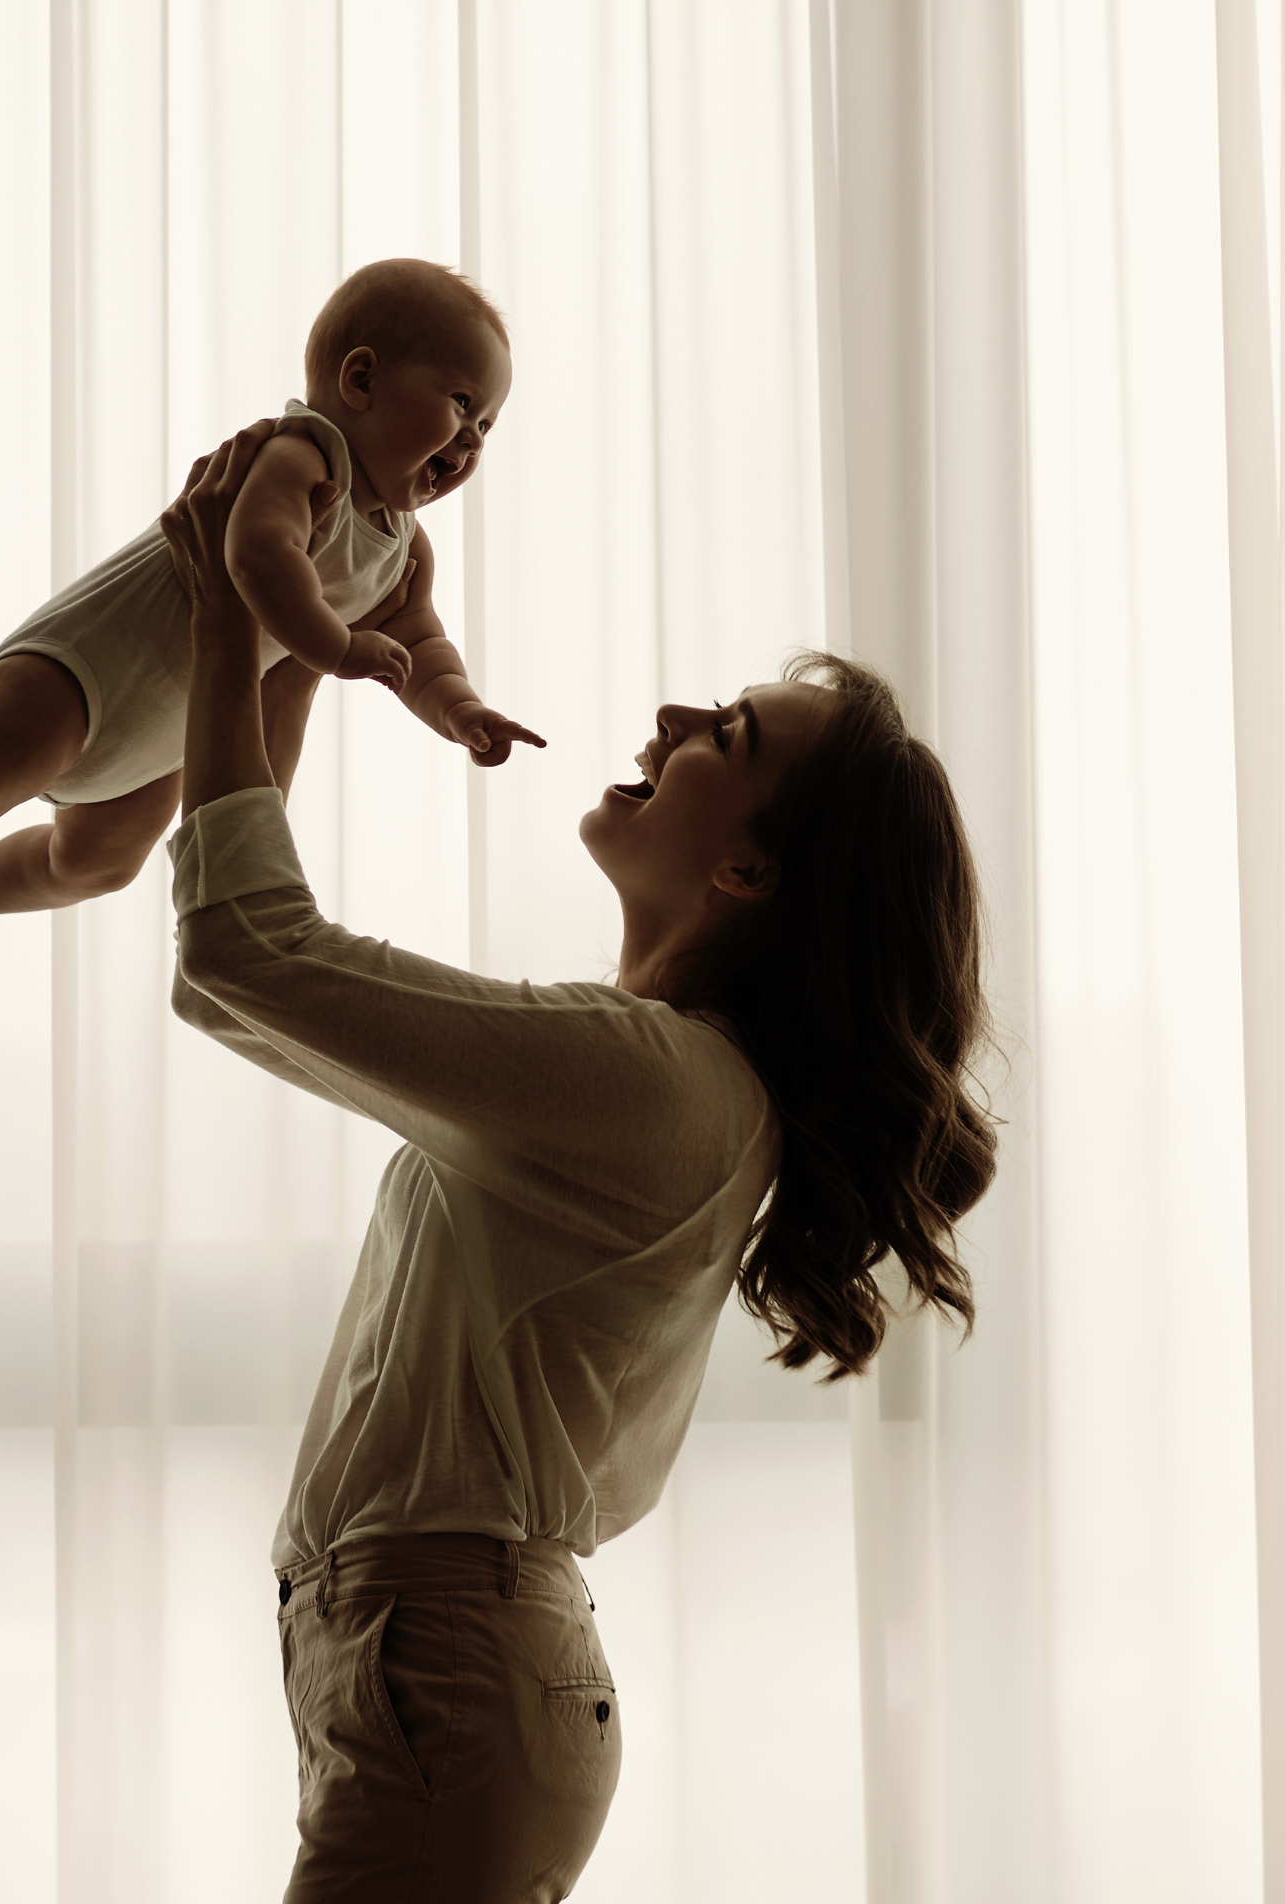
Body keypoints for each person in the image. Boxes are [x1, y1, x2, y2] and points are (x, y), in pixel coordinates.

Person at [155, 426, 999, 1902]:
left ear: (747, 871)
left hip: (448, 1683)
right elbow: (238, 975)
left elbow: (245, 951)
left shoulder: (656, 1088)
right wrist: (284, 646)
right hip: (430, 1680)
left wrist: (245, 614)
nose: (673, 713)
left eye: (724, 737)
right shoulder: (646, 1079)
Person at [0, 258, 542, 996]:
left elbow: (423, 642)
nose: (471, 440)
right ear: (360, 379)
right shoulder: (303, 458)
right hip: (86, 670)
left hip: (162, 736)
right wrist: (338, 647)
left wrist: (459, 709)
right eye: (462, 403)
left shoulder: (404, 548)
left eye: (488, 426)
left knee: (95, 865)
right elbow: (261, 561)